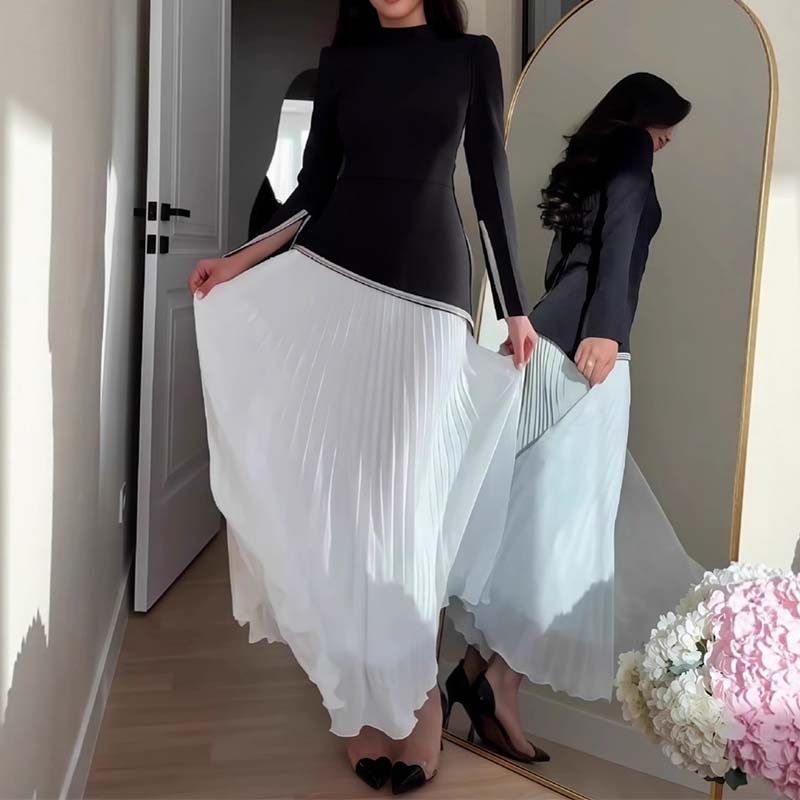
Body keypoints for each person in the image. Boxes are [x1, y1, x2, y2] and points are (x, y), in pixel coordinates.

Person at [188, 0, 536, 793]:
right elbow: (311, 190)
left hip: (429, 293)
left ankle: (415, 702)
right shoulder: (342, 62)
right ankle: (355, 703)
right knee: (342, 502)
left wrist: (515, 307)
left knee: (406, 504)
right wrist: (238, 262)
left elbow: (489, 186)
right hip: (335, 279)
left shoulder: (471, 57)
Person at [446, 72, 692, 762]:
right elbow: (619, 237)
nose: (668, 139)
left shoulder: (592, 155)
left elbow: (569, 260)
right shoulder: (631, 149)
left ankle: (472, 678)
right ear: (646, 114)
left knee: (535, 518)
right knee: (568, 534)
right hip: (592, 349)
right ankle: (500, 685)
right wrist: (608, 328)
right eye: (668, 123)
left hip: (554, 338)